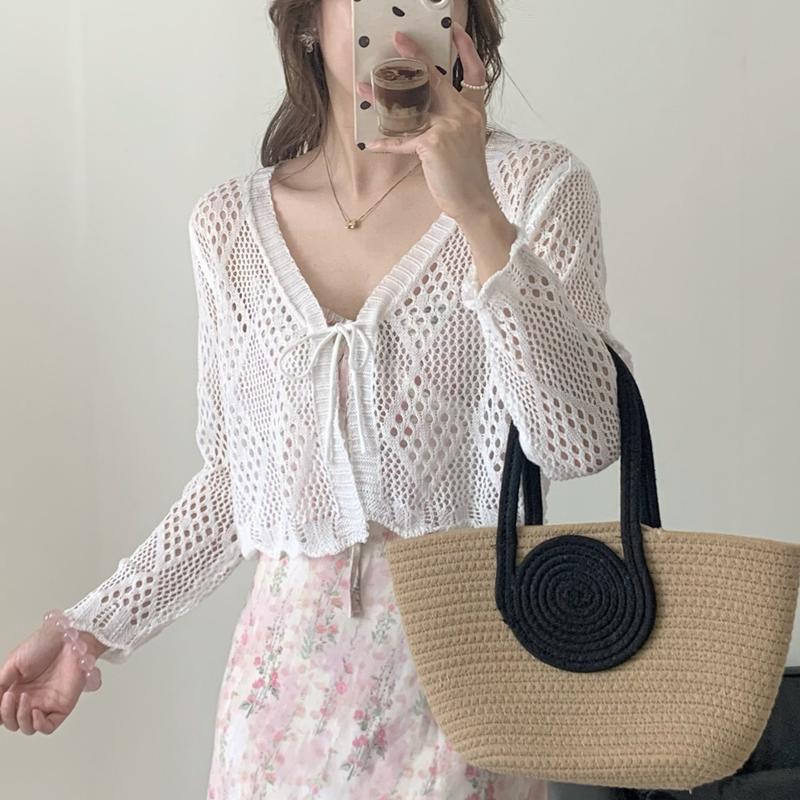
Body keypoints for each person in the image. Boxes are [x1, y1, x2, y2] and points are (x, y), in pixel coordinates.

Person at [0, 1, 634, 797]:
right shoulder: (228, 226)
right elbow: (237, 485)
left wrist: (477, 211)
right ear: (308, 20)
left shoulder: (536, 186)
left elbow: (580, 440)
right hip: (280, 703)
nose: (403, 15)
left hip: (462, 685)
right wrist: (87, 629)